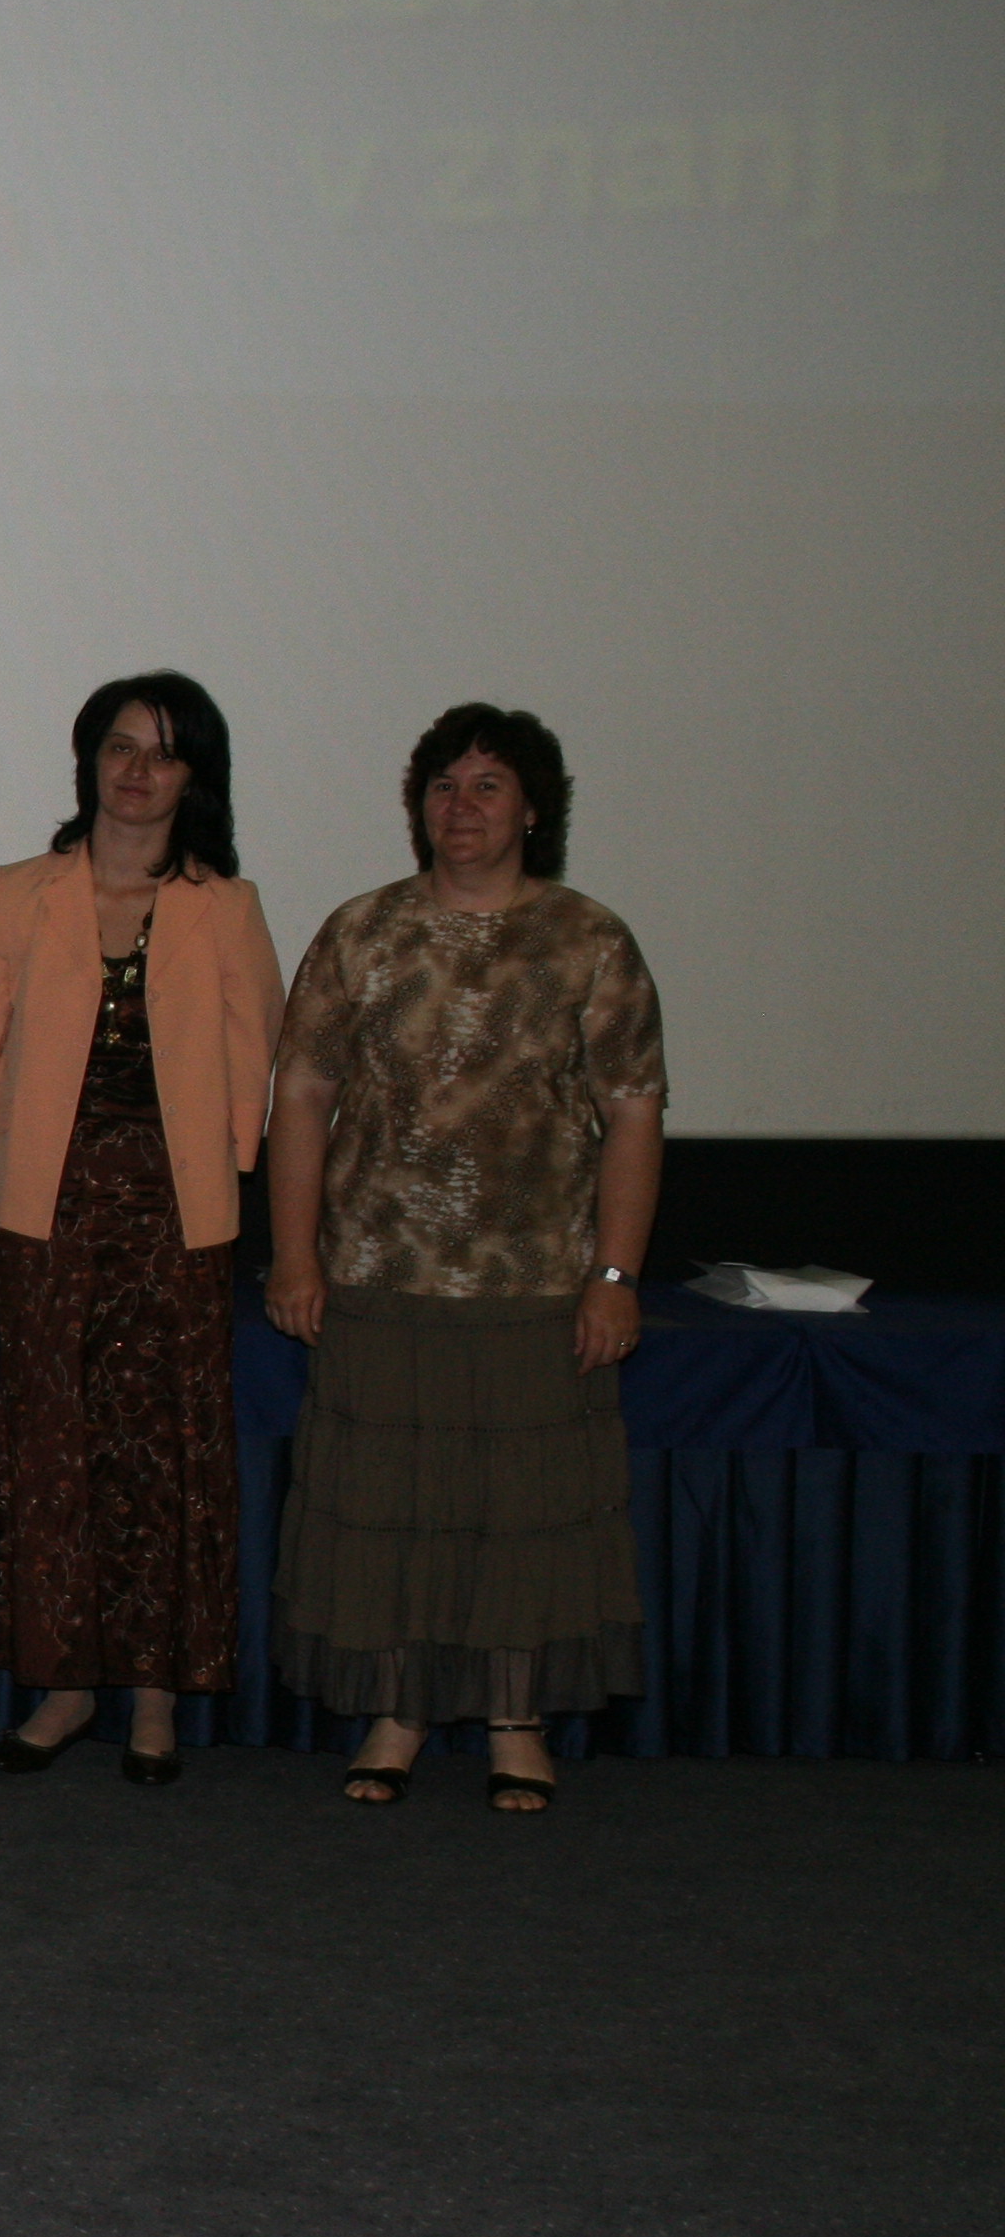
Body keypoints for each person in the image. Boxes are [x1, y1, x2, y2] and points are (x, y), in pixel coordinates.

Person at [266, 705, 663, 1814]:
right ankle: (396, 1713)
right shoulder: (362, 931)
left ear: (533, 808)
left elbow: (634, 1113)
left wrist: (615, 1276)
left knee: (520, 1518)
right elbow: (300, 1096)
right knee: (389, 1509)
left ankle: (514, 1723)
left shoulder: (588, 939)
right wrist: (293, 1255)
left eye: (489, 785)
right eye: (444, 784)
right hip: (377, 1278)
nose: (463, 805)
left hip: (534, 1286)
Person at [0, 673, 284, 1786]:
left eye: (165, 752)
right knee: (53, 1447)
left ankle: (153, 1693)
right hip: (40, 1207)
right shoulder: (19, 893)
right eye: (122, 747)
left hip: (176, 1216)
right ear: (90, 759)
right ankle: (65, 1685)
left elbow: (253, 1050)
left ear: (195, 778)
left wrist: (234, 1172)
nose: (139, 771)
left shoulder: (225, 906)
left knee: (162, 1452)